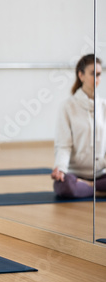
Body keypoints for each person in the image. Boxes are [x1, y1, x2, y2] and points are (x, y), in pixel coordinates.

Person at [52, 54, 106, 198]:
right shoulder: (67, 106)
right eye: (93, 74)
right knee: (65, 187)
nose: (97, 79)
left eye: (99, 74)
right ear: (81, 75)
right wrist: (61, 168)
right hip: (74, 174)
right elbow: (64, 145)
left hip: (100, 174)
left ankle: (88, 187)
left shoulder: (104, 106)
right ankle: (97, 190)